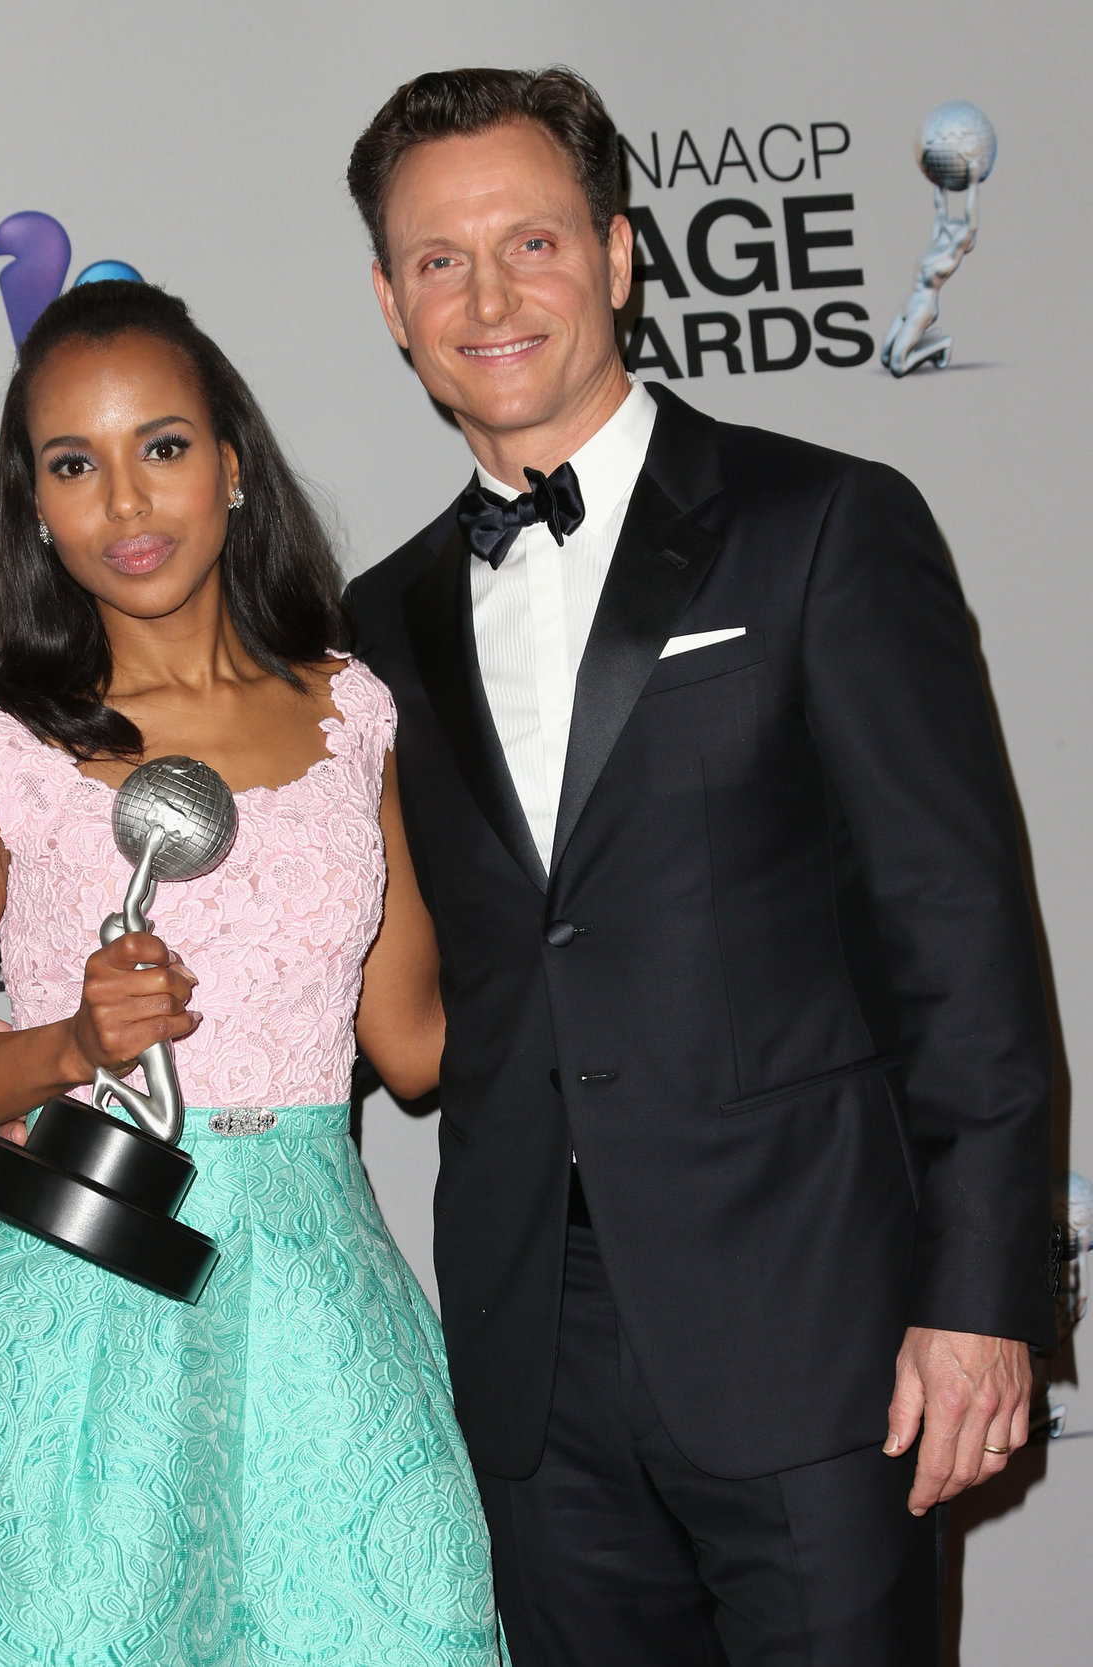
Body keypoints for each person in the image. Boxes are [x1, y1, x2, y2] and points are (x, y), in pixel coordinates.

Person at [344, 67, 1054, 1667]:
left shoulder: (823, 526)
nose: (488, 296)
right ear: (389, 303)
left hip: (820, 1332)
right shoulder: (377, 625)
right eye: (439, 262)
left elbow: (959, 937)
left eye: (530, 242)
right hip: (536, 1360)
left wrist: (984, 1293)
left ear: (618, 254)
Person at [0, 280, 506, 1667]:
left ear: (234, 462)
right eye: (75, 465)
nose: (126, 504)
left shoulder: (350, 711)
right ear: (37, 506)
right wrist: (66, 1044)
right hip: (91, 1284)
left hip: (320, 1309)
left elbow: (419, 1041)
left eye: (164, 447)